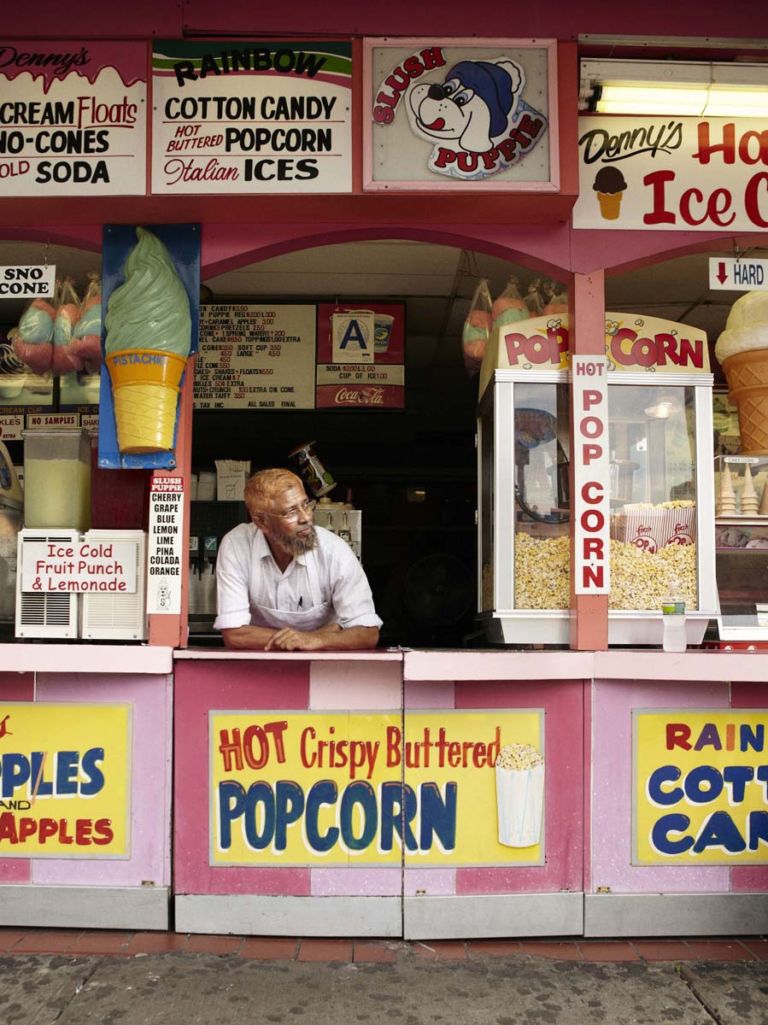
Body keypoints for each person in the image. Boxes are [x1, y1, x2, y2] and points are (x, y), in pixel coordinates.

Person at [214, 468, 382, 651]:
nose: (306, 517)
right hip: (258, 669)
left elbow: (368, 633)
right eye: (290, 512)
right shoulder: (237, 545)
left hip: (326, 670)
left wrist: (313, 640)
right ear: (262, 522)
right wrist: (322, 634)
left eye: (306, 504)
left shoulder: (334, 550)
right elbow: (234, 634)